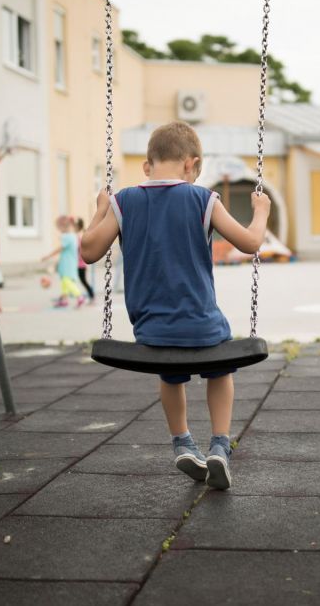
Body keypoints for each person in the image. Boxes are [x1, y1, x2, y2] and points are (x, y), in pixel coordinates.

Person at [81, 121, 270, 490]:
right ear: (191, 165)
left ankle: (181, 440)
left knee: (170, 371)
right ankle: (219, 444)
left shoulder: (124, 201)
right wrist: (260, 211)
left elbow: (88, 251)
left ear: (147, 166)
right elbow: (250, 242)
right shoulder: (204, 199)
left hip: (151, 331)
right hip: (203, 327)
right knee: (220, 368)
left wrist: (101, 209)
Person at [41, 216, 85, 309]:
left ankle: (79, 296)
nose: (59, 230)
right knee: (64, 281)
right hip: (70, 262)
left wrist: (47, 256)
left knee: (67, 281)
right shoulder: (73, 236)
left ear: (64, 227)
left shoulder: (68, 237)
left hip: (67, 263)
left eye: (59, 228)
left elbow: (60, 249)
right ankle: (64, 300)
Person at [74, 217, 95, 303]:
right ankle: (89, 295)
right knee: (81, 280)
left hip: (81, 263)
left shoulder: (80, 235)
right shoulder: (78, 234)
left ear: (78, 226)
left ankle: (91, 295)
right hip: (78, 263)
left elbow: (80, 248)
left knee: (83, 281)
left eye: (75, 226)